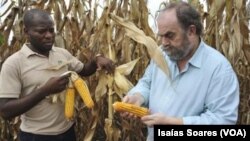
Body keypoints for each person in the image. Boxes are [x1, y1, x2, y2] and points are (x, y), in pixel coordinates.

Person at [121, 1, 239, 141]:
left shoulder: (219, 69)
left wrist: (175, 123)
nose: (163, 43)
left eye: (170, 36)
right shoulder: (161, 54)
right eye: (161, 36)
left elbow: (223, 121)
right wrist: (139, 96)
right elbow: (147, 83)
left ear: (191, 31)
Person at [0, 8, 114, 141]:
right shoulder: (14, 63)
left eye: (51, 30)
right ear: (26, 32)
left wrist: (96, 60)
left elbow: (85, 70)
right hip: (36, 136)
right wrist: (44, 91)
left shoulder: (62, 53)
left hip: (67, 132)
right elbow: (5, 111)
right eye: (41, 31)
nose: (49, 35)